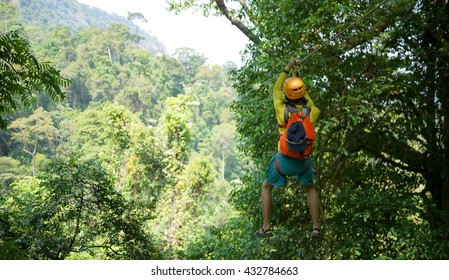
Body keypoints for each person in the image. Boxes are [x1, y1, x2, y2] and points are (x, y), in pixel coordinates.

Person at [255, 57, 322, 239]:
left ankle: (266, 227)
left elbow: (276, 88)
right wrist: (298, 79)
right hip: (304, 162)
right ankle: (316, 227)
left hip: (283, 161)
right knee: (310, 189)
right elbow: (306, 99)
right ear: (303, 92)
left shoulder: (281, 109)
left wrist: (287, 68)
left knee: (266, 187)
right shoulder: (313, 112)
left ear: (286, 94)